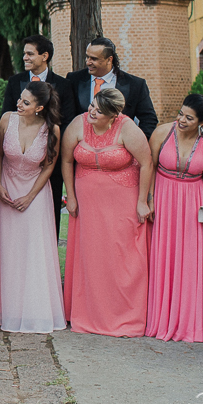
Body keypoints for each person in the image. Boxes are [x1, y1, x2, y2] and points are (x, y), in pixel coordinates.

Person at [61, 87, 154, 337]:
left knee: (121, 256)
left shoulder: (128, 129)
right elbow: (67, 160)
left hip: (122, 199)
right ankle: (88, 313)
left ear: (114, 115)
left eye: (99, 111)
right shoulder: (78, 124)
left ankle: (124, 315)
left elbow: (146, 163)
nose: (91, 112)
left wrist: (143, 201)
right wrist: (70, 196)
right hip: (87, 204)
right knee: (91, 255)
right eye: (92, 106)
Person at [145, 94, 203, 343]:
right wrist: (148, 199)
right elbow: (148, 167)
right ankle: (163, 320)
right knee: (164, 258)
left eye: (189, 118)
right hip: (164, 198)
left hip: (193, 201)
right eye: (181, 113)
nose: (181, 119)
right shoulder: (161, 132)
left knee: (192, 261)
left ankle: (192, 323)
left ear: (202, 122)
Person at [0, 81, 66, 333]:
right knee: (6, 247)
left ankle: (34, 311)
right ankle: (3, 309)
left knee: (33, 249)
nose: (18, 104)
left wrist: (31, 196)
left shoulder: (51, 129)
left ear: (39, 107)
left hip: (35, 191)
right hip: (6, 186)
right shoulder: (6, 120)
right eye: (20, 99)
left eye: (25, 102)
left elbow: (49, 166)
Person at [1, 35, 78, 240]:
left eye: (29, 53)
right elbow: (7, 115)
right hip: (15, 162)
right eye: (24, 53)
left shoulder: (63, 85)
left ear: (44, 56)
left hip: (47, 159)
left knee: (47, 218)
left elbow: (68, 121)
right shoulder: (15, 82)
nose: (24, 57)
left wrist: (46, 146)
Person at [64, 36, 159, 140]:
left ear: (109, 60)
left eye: (94, 59)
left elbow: (149, 119)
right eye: (87, 57)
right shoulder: (74, 80)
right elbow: (67, 117)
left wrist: (135, 144)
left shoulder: (135, 84)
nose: (88, 62)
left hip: (120, 150)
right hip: (82, 149)